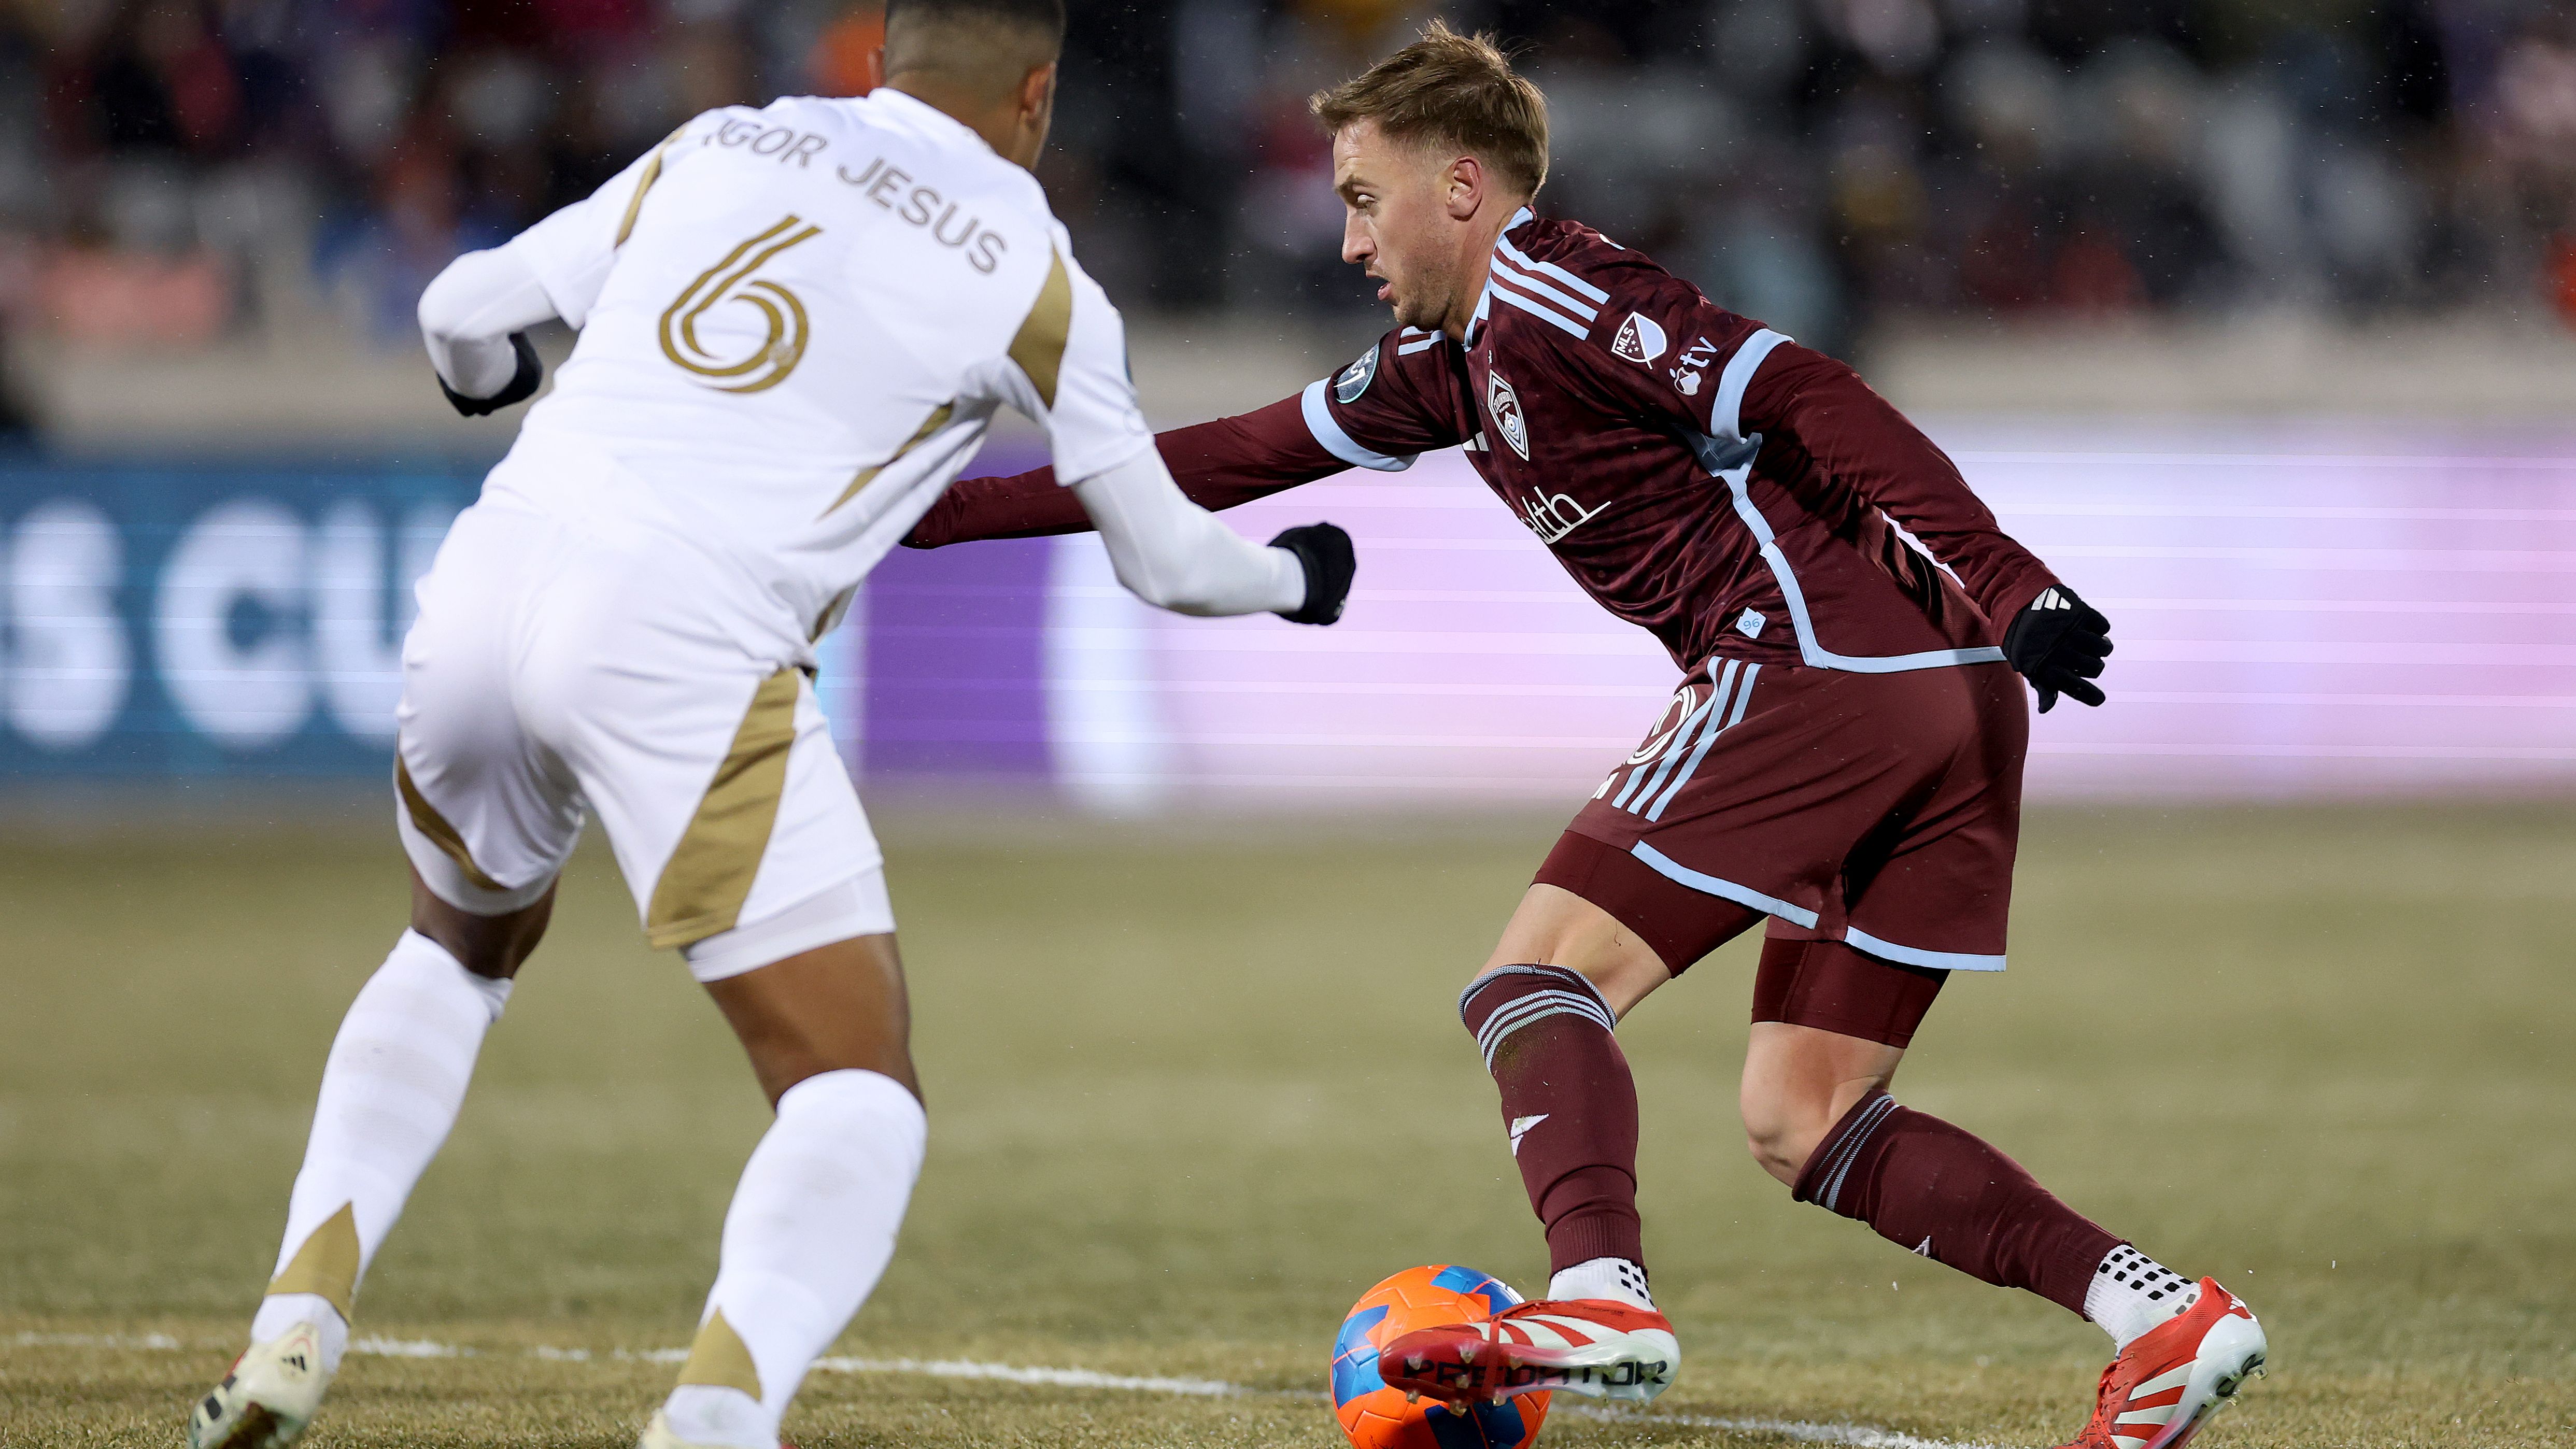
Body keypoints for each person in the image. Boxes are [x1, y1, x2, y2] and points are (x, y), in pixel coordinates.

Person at [897, 23, 2265, 1449]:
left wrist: (2012, 577)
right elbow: (1218, 456)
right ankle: (2160, 1315)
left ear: (1462, 188)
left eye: (1364, 198)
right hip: (1943, 689)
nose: (1349, 239)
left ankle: (1601, 1298)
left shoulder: (1557, 289)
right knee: (1807, 1116)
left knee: (1533, 980)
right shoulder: (1439, 364)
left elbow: (1801, 389)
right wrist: (937, 514)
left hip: (1822, 658)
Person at [182, 4, 1354, 1448]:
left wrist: (494, 386)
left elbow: (462, 311)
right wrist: (1297, 578)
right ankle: (716, 1418)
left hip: (491, 578)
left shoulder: (731, 139)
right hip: (684, 633)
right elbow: (1165, 560)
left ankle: (295, 1318)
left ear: (882, 58)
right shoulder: (1034, 273)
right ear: (1038, 95)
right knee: (855, 1092)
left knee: (452, 951)